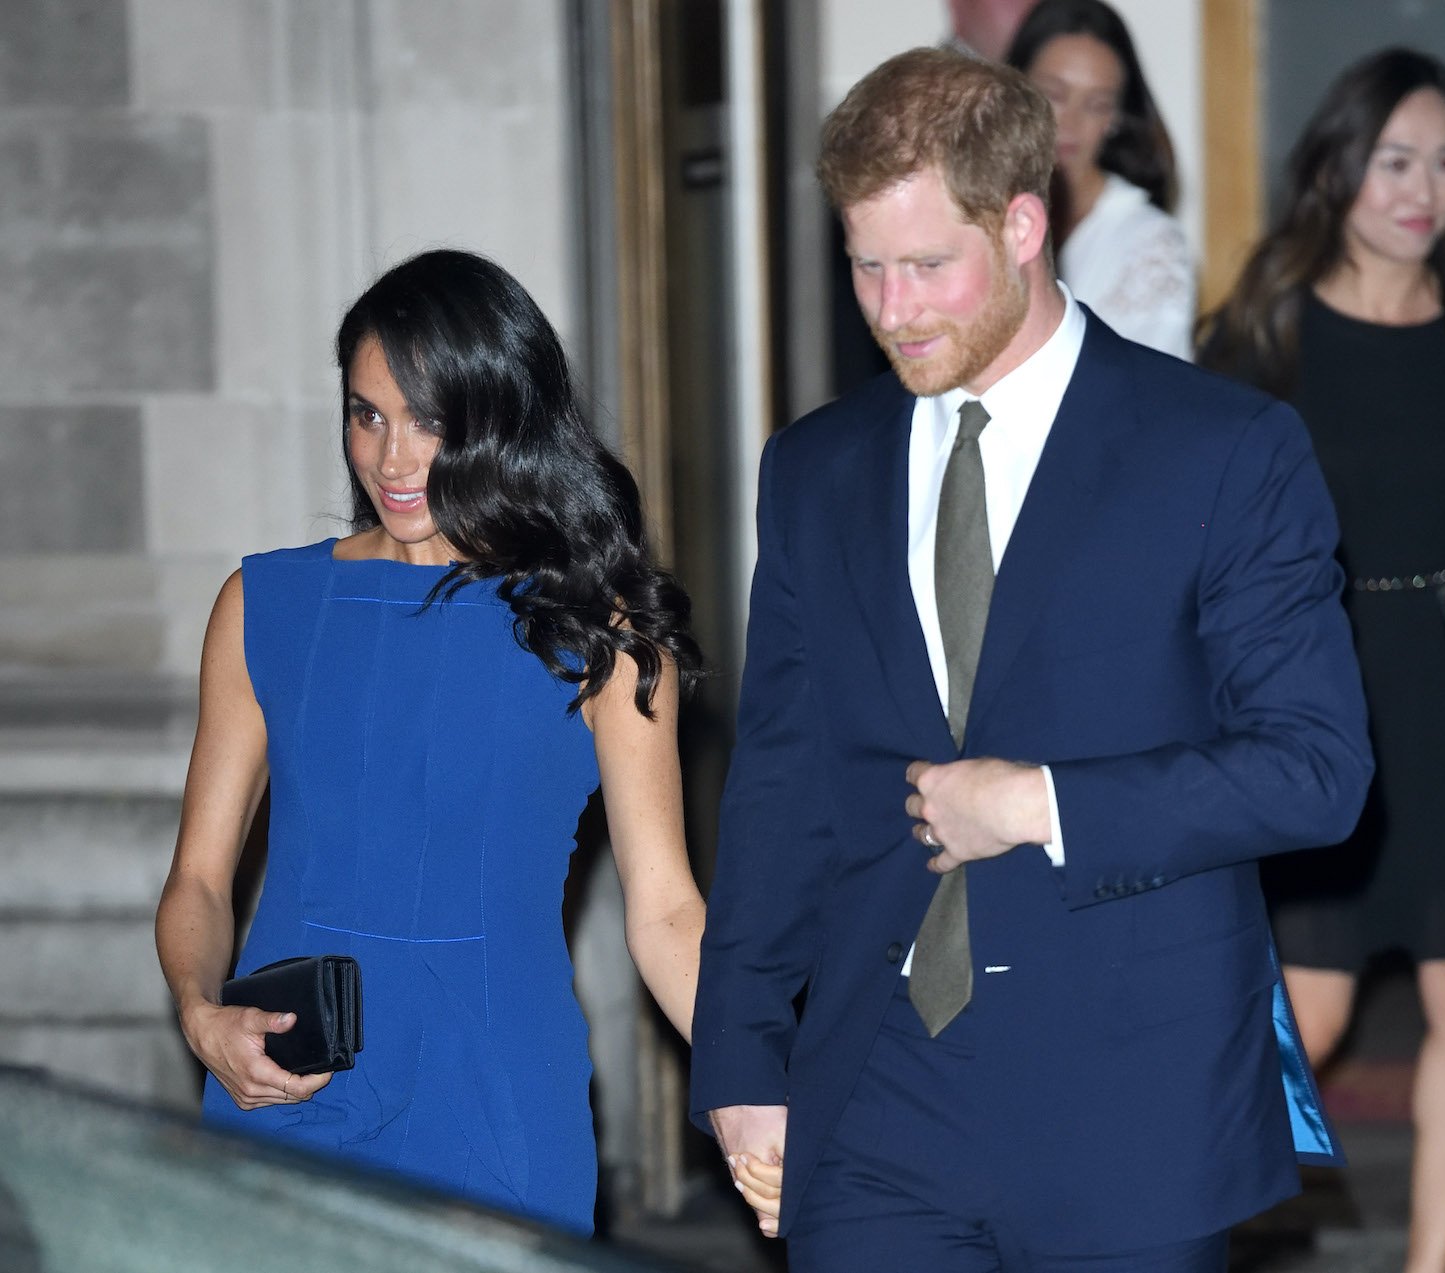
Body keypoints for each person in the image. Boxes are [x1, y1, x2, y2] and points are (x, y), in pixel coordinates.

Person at [690, 48, 1374, 1272]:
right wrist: (741, 1058)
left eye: (925, 267)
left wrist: (1042, 802)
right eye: (865, 267)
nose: (893, 310)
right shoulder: (814, 470)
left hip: (1131, 1091)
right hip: (876, 1090)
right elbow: (780, 782)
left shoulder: (1222, 451)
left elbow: (1317, 768)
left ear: (1021, 224)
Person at [156, 249, 714, 1236]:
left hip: (495, 1097)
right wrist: (202, 1015)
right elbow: (200, 880)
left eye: (430, 420)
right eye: (367, 414)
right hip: (288, 1080)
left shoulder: (597, 629)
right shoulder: (263, 606)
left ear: (498, 417)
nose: (393, 457)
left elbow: (667, 913)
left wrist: (770, 1087)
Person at [1198, 49, 1445, 1273]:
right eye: (1394, 161)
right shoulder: (1264, 337)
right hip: (1320, 690)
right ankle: (1169, 1235)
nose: (1422, 190)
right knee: (1304, 1017)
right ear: (1337, 169)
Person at [1008, 0, 1194, 357]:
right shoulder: (969, 210)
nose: (1070, 124)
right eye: (1055, 96)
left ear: (1116, 120)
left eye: (1096, 105)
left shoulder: (1149, 244)